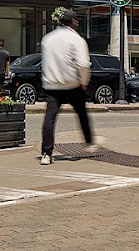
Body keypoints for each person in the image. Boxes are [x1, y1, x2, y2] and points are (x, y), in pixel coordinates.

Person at [39, 10, 100, 165]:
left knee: (50, 118)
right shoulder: (76, 39)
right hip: (71, 84)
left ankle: (46, 153)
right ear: (73, 22)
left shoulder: (47, 39)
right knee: (81, 113)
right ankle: (89, 141)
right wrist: (84, 82)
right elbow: (83, 64)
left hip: (52, 84)